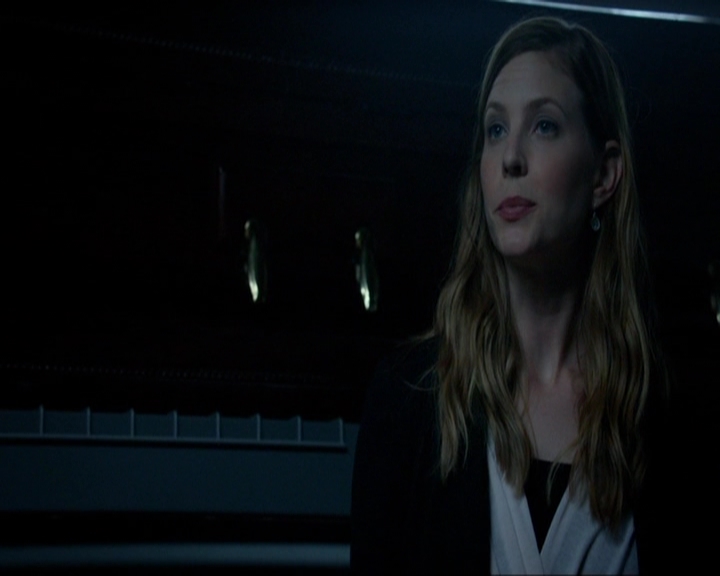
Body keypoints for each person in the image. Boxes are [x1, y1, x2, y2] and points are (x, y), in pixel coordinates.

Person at [351, 16, 676, 575]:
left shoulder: (660, 418)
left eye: (544, 126)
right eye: (496, 130)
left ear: (603, 175)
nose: (510, 159)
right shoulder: (409, 399)